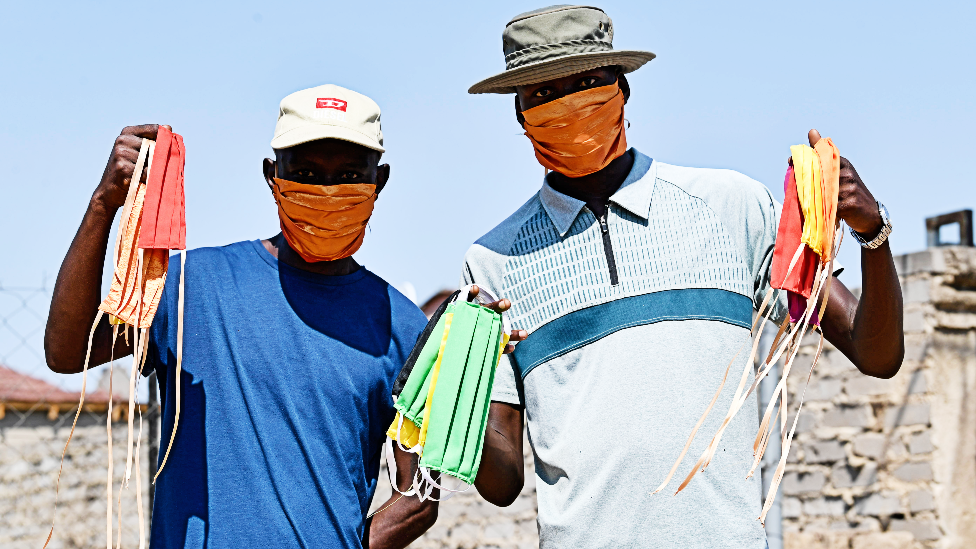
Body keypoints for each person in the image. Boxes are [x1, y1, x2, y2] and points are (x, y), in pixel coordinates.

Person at [463, 6, 904, 548]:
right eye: (544, 94)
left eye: (587, 83)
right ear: (520, 114)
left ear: (622, 89)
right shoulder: (493, 262)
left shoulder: (730, 206)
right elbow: (502, 483)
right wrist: (450, 388)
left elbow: (876, 353)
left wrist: (873, 232)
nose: (570, 106)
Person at [44, 84, 453, 549]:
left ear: (378, 181)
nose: (326, 191)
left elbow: (418, 497)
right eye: (304, 173)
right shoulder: (188, 285)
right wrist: (103, 204)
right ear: (270, 175)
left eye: (347, 175)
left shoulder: (402, 328)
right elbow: (66, 352)